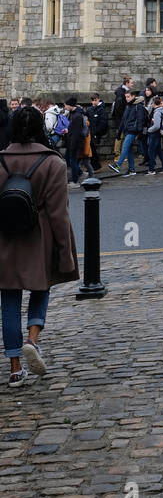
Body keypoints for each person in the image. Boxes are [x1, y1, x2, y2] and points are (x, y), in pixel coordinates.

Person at [0, 104, 79, 388]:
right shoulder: (54, 163)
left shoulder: (0, 160)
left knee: (8, 301)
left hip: (5, 239)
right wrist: (65, 252)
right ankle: (32, 340)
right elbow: (59, 214)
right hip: (40, 237)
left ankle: (15, 368)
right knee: (40, 288)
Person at [108, 91, 147, 176]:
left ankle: (118, 165)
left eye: (128, 97)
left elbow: (140, 119)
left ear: (133, 96)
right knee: (129, 150)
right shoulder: (128, 106)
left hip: (133, 130)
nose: (126, 99)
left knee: (125, 147)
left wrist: (140, 131)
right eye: (126, 97)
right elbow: (123, 120)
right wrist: (119, 132)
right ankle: (132, 169)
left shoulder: (138, 106)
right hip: (127, 130)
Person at [63, 98, 87, 187]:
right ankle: (80, 173)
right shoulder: (73, 114)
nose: (64, 107)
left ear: (69, 105)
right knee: (69, 159)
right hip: (71, 141)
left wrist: (72, 145)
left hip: (74, 142)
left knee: (73, 161)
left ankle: (75, 181)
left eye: (65, 105)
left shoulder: (77, 116)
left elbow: (76, 133)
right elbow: (72, 129)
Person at [146, 94, 163, 174]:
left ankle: (151, 169)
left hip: (154, 134)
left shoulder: (157, 113)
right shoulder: (161, 111)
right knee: (159, 152)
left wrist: (149, 130)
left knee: (151, 152)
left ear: (153, 103)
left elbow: (156, 126)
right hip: (157, 134)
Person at [85, 94, 109, 170]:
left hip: (96, 132)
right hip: (90, 132)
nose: (94, 102)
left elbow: (103, 123)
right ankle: (94, 165)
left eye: (95, 100)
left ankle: (95, 166)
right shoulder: (90, 109)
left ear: (98, 99)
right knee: (91, 149)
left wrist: (97, 132)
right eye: (93, 100)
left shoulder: (102, 109)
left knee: (92, 149)